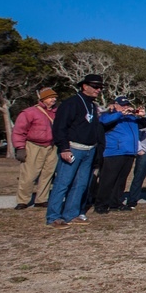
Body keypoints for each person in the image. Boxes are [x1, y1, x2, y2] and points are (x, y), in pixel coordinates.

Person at [46, 74, 107, 229]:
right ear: (85, 86)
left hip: (89, 150)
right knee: (63, 183)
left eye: (100, 87)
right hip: (73, 148)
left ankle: (71, 214)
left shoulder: (93, 105)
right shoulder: (71, 103)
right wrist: (64, 148)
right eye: (95, 87)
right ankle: (53, 216)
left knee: (80, 184)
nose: (98, 90)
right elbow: (60, 127)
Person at [94, 96, 146, 214]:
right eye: (123, 105)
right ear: (115, 105)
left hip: (129, 152)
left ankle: (115, 202)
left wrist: (143, 115)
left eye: (127, 105)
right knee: (108, 180)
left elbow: (145, 123)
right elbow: (103, 121)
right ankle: (101, 204)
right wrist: (120, 114)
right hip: (114, 152)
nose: (126, 107)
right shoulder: (109, 115)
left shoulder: (131, 118)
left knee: (121, 180)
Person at [12, 87, 59, 210]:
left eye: (54, 97)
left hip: (52, 146)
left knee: (47, 174)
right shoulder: (29, 112)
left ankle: (42, 199)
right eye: (50, 97)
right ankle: (23, 200)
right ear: (43, 99)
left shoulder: (57, 112)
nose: (53, 99)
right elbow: (18, 131)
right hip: (33, 145)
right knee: (29, 175)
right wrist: (20, 147)